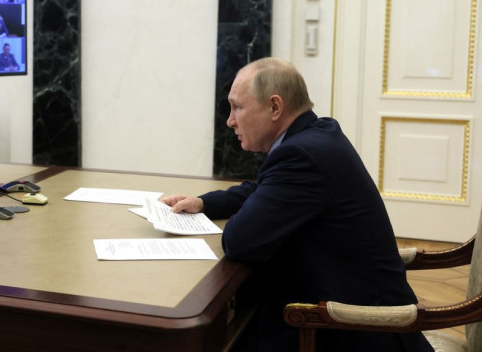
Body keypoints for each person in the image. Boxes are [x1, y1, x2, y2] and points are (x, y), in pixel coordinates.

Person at [159, 58, 433, 352]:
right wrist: (204, 203)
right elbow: (264, 188)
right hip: (337, 304)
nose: (230, 120)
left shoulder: (301, 155)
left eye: (237, 107)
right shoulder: (315, 135)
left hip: (357, 330)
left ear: (275, 107)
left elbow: (239, 242)